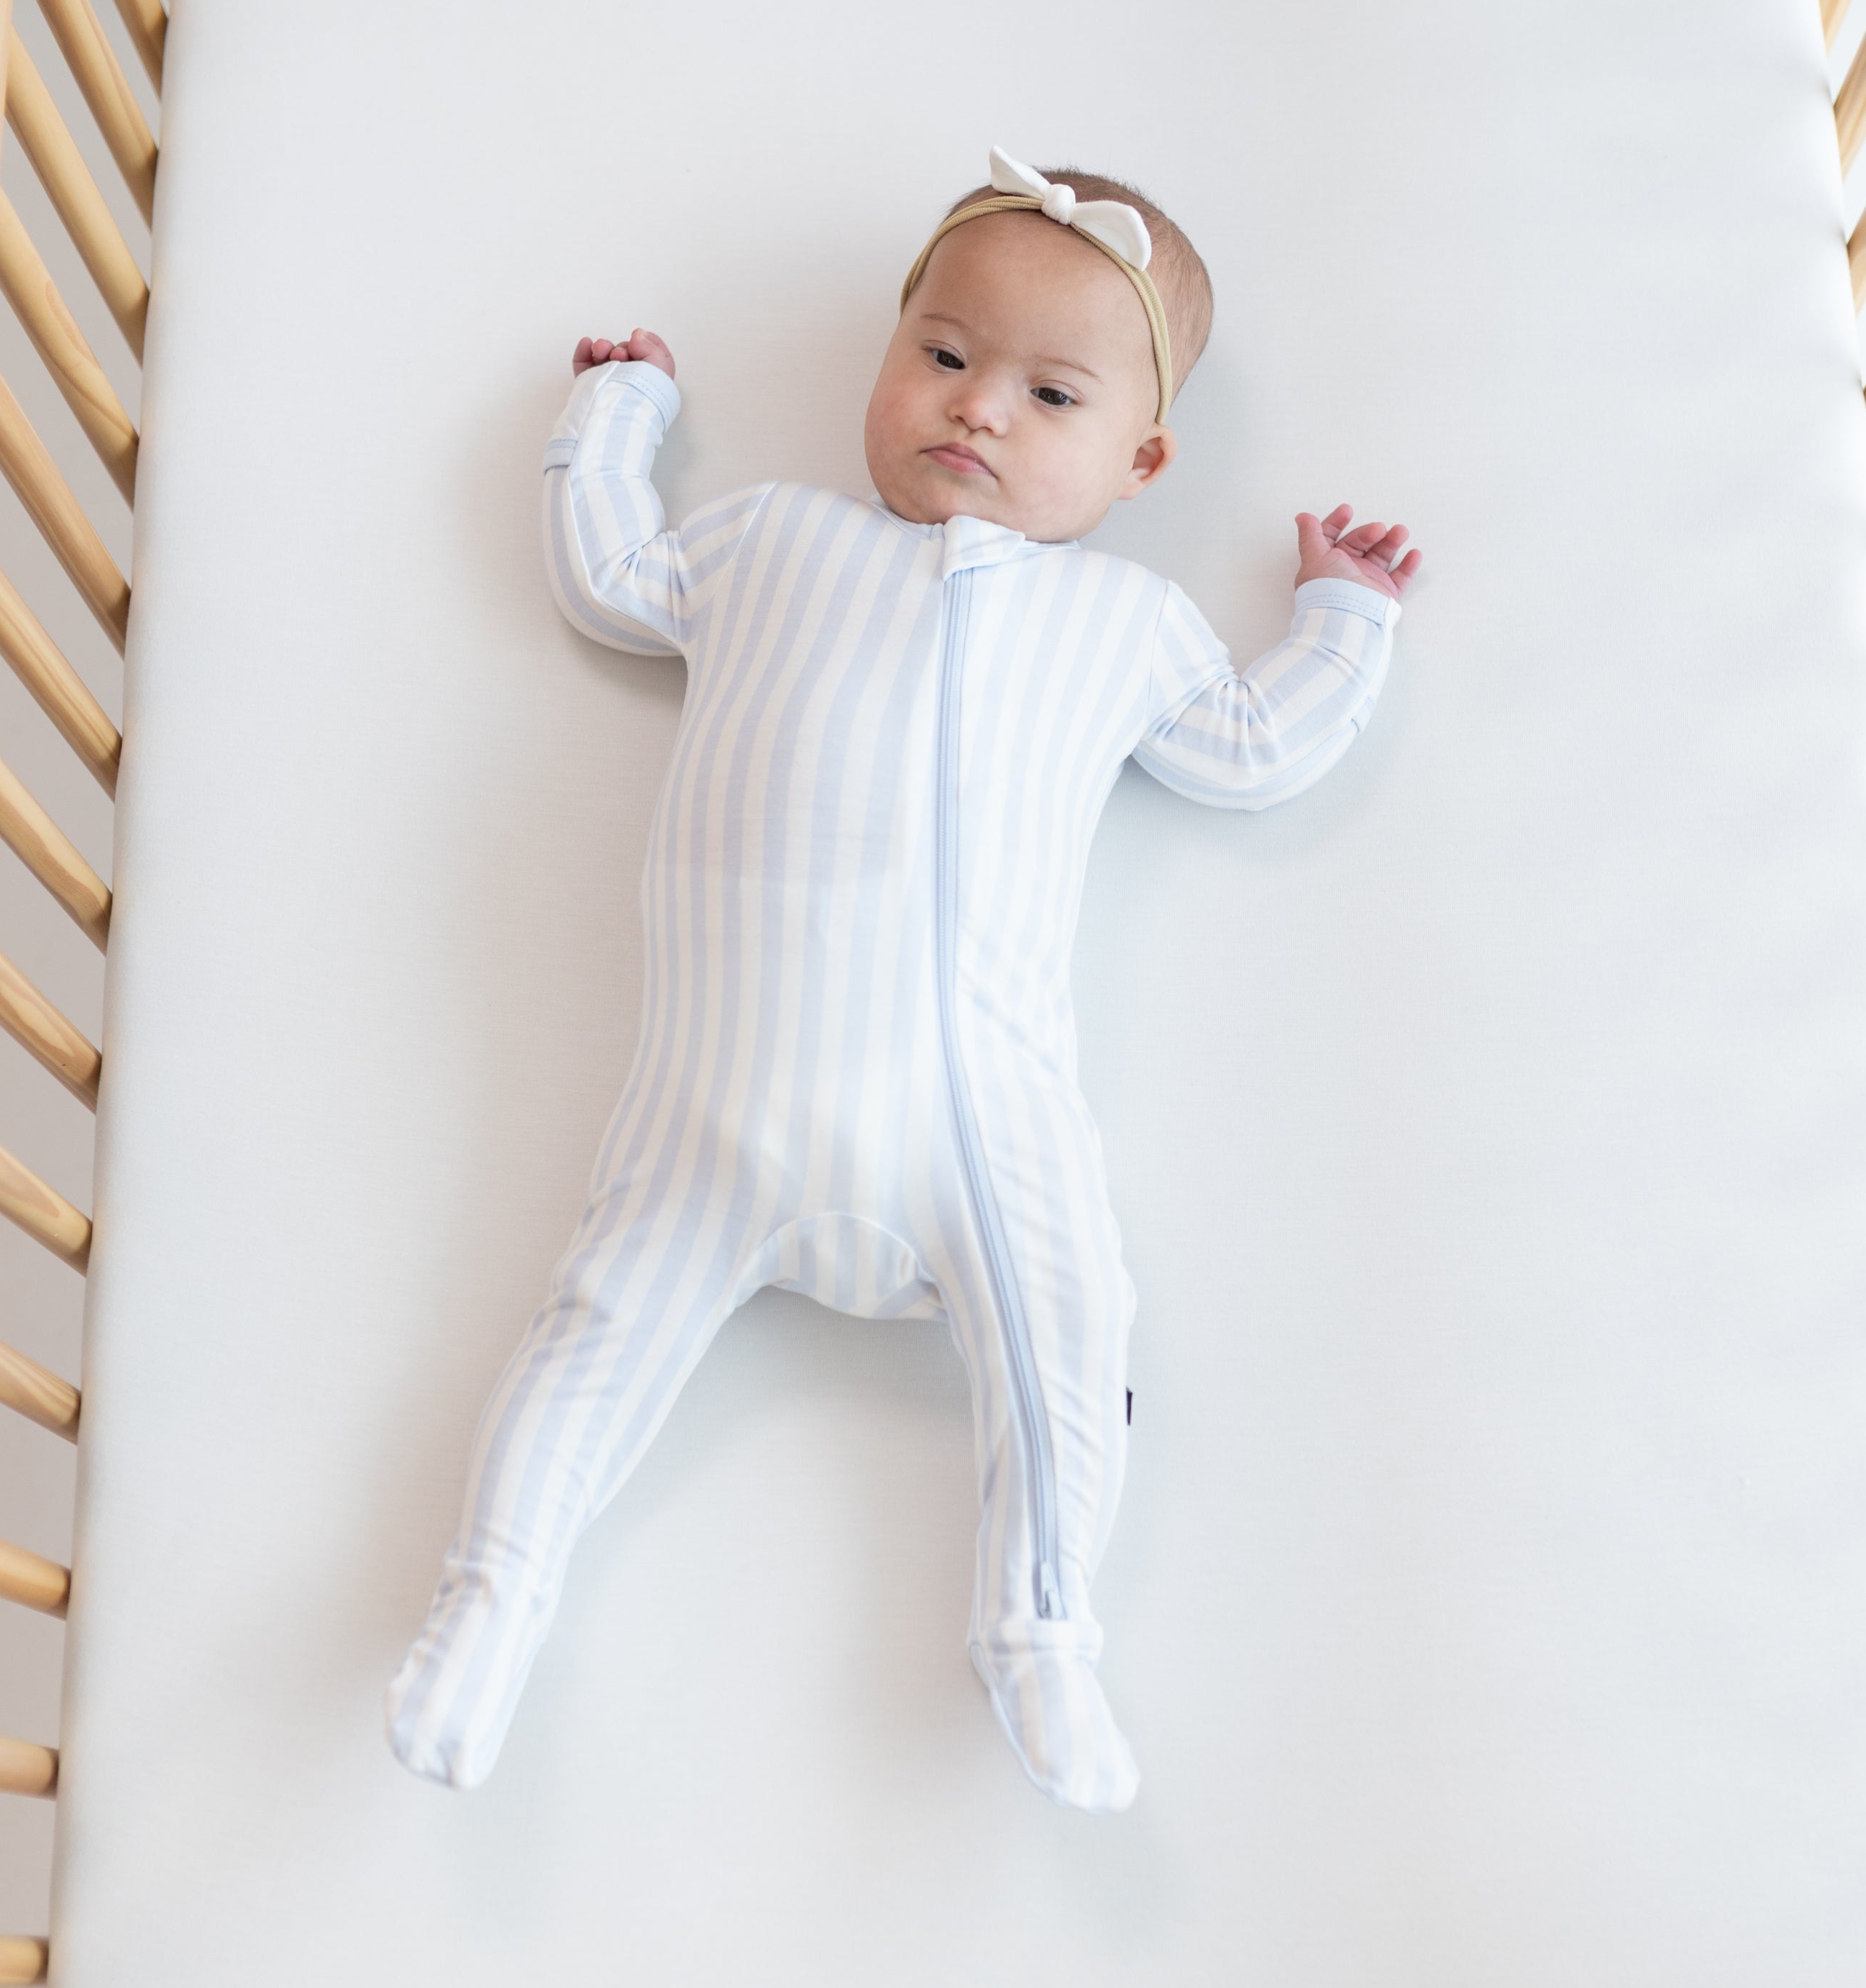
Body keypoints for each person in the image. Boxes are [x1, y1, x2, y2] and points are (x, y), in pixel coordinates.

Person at [388, 149, 1421, 1813]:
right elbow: (608, 576)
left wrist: (1343, 621)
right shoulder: (767, 543)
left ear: (1141, 458)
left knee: (1076, 1330)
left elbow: (1251, 747)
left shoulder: (1128, 624)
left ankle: (1040, 1632)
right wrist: (618, 417)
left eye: (1051, 391)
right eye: (942, 355)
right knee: (588, 1336)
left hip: (983, 1134)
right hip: (714, 1119)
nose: (979, 410)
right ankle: (491, 1602)